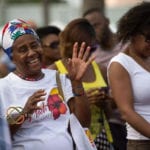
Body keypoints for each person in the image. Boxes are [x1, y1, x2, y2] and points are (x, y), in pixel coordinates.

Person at [0, 18, 94, 150]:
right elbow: (3, 137)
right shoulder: (3, 88)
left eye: (34, 45)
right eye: (23, 50)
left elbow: (84, 123)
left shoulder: (58, 79)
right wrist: (24, 113)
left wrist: (77, 83)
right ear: (12, 57)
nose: (32, 53)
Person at [48, 18, 114, 148]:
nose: (87, 54)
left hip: (101, 137)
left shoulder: (100, 69)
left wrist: (105, 103)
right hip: (71, 139)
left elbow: (110, 114)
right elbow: (51, 115)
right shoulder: (53, 71)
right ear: (69, 45)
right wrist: (83, 101)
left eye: (92, 48)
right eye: (81, 48)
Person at [107, 2, 150, 150]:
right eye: (149, 38)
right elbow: (126, 112)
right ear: (133, 32)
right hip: (142, 143)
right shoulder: (120, 64)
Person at [83, 8, 127, 150]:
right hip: (113, 120)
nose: (94, 30)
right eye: (90, 28)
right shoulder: (93, 57)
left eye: (97, 25)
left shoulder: (128, 45)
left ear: (107, 22)